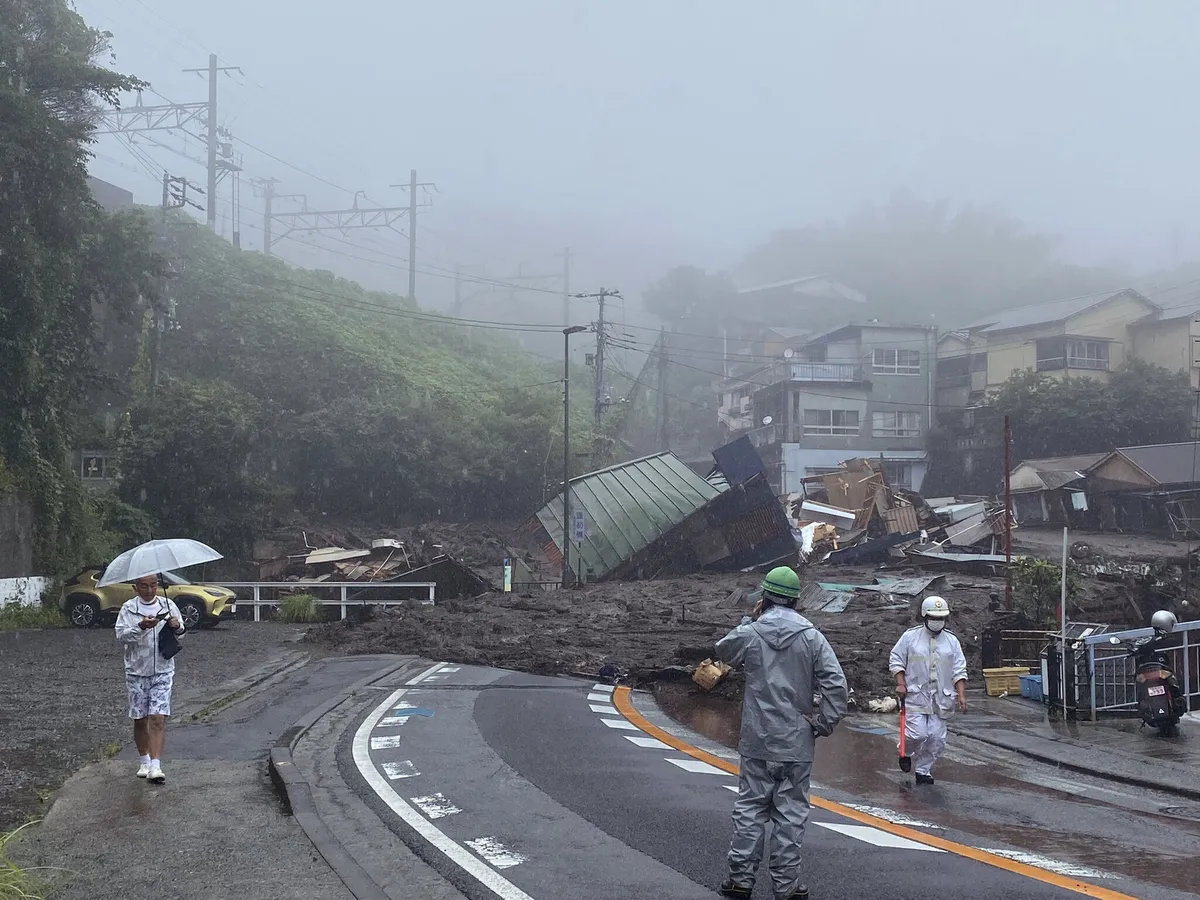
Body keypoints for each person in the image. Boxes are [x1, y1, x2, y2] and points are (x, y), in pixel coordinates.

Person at [715, 566, 849, 900]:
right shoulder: (812, 637)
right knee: (790, 816)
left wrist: (748, 622)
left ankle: (740, 881)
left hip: (758, 739)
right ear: (795, 600)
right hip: (796, 742)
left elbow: (723, 651)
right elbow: (836, 684)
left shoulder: (753, 632)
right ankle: (786, 887)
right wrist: (823, 723)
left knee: (750, 810)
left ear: (765, 597)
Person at [888, 595, 968, 785]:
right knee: (917, 734)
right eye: (933, 617)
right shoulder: (910, 637)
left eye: (941, 618)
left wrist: (962, 695)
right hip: (916, 695)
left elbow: (959, 669)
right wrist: (900, 682)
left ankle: (923, 770)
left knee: (936, 739)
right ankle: (905, 751)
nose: (937, 621)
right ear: (924, 616)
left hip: (941, 699)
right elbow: (896, 659)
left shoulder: (952, 642)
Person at [115, 574, 186, 784]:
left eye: (153, 585)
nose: (149, 590)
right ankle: (144, 759)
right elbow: (121, 636)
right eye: (144, 586)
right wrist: (141, 627)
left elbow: (181, 633)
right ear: (136, 587)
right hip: (136, 671)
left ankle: (156, 765)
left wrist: (176, 626)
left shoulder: (168, 604)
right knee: (140, 718)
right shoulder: (128, 608)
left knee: (158, 717)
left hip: (163, 669)